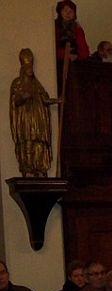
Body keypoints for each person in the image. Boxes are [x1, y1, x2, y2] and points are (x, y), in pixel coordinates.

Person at [10, 48, 58, 177]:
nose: (30, 69)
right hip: (25, 118)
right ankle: (28, 168)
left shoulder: (37, 85)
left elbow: (45, 99)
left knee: (39, 142)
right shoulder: (17, 83)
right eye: (27, 67)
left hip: (38, 119)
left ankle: (40, 167)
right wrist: (23, 97)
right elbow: (15, 101)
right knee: (28, 141)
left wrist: (57, 101)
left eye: (31, 66)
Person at [55, 0, 89, 89]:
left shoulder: (77, 29)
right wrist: (65, 54)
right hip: (59, 66)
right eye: (65, 11)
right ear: (60, 12)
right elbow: (52, 48)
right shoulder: (55, 28)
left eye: (70, 11)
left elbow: (85, 51)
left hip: (74, 67)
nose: (68, 14)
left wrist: (76, 56)